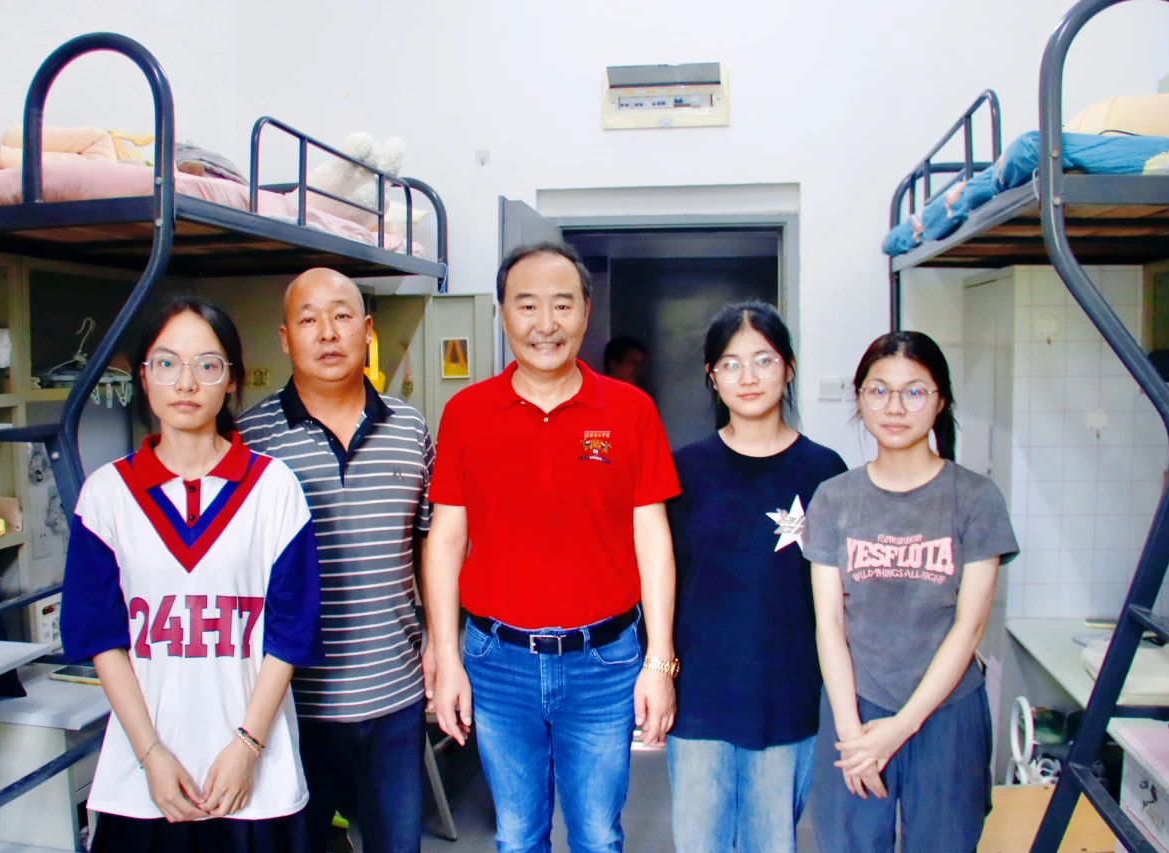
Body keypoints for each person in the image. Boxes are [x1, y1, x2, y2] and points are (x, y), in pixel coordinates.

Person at [427, 242, 681, 853]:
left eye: (562, 305)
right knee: (517, 835)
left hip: (605, 661)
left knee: (598, 835)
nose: (546, 324)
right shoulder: (466, 412)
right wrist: (446, 655)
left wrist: (659, 661)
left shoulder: (630, 410)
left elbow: (653, 539)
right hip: (496, 660)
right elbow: (446, 540)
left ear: (586, 312)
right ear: (502, 313)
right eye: (527, 305)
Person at [60, 296, 321, 851]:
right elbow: (102, 638)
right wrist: (150, 755)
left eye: (206, 364)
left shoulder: (274, 488)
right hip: (145, 778)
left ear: (231, 379)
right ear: (143, 377)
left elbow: (291, 634)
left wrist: (247, 747)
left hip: (255, 773)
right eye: (166, 363)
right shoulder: (106, 495)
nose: (185, 382)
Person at [236, 267, 434, 853]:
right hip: (292, 705)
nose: (327, 332)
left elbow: (428, 545)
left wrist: (438, 644)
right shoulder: (249, 441)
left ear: (367, 330)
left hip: (395, 696)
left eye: (342, 316)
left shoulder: (409, 428)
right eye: (308, 320)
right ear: (285, 338)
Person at [802, 331, 1019, 852]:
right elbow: (829, 624)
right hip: (856, 706)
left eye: (915, 392)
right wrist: (852, 734)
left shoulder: (975, 498)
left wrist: (901, 726)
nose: (895, 407)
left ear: (940, 400)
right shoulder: (834, 499)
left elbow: (969, 627)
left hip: (947, 711)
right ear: (860, 398)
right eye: (879, 391)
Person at [666, 302, 846, 853]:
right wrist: (659, 672)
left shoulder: (825, 471)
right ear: (712, 376)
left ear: (788, 368)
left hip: (787, 691)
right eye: (731, 363)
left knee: (772, 841)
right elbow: (664, 584)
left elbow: (840, 601)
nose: (748, 377)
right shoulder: (684, 469)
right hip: (700, 693)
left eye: (763, 360)